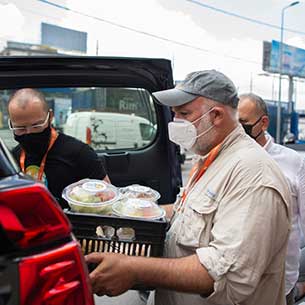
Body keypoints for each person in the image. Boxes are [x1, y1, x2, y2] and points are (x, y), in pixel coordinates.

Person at [85, 70, 291, 305]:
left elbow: (224, 274)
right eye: (174, 113)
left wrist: (135, 269)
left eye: (184, 113)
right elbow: (188, 213)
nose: (175, 122)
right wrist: (128, 208)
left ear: (216, 116)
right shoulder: (209, 159)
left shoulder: (253, 174)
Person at [238, 93, 305, 305]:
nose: (238, 131)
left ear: (263, 123)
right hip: (235, 277)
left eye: (244, 123)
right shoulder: (228, 158)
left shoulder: (293, 163)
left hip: (280, 279)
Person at [8, 88, 110, 208]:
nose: (29, 133)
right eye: (20, 128)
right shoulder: (12, 158)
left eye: (36, 126)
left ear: (50, 117)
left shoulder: (80, 153)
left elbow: (108, 197)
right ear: (11, 124)